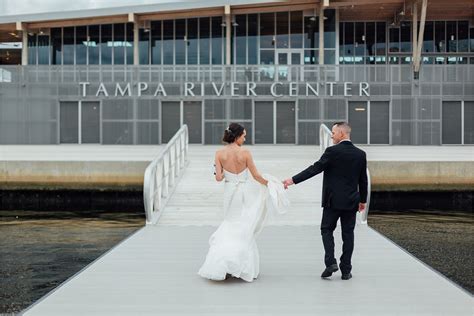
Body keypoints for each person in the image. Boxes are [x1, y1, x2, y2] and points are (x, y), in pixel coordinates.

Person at [198, 123, 287, 282]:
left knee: (229, 224)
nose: (245, 139)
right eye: (244, 136)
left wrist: (224, 172)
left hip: (229, 193)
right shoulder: (245, 153)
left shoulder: (219, 154)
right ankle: (239, 265)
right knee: (243, 226)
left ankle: (223, 265)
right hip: (244, 193)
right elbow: (256, 176)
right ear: (237, 136)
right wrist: (272, 184)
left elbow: (218, 178)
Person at [283, 122, 368, 280]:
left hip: (332, 201)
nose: (331, 135)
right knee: (348, 235)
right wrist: (363, 200)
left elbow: (314, 169)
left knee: (326, 230)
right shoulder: (360, 154)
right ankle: (346, 270)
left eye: (334, 133)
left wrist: (292, 180)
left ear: (342, 134)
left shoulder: (332, 152)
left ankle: (330, 263)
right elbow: (363, 180)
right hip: (351, 201)